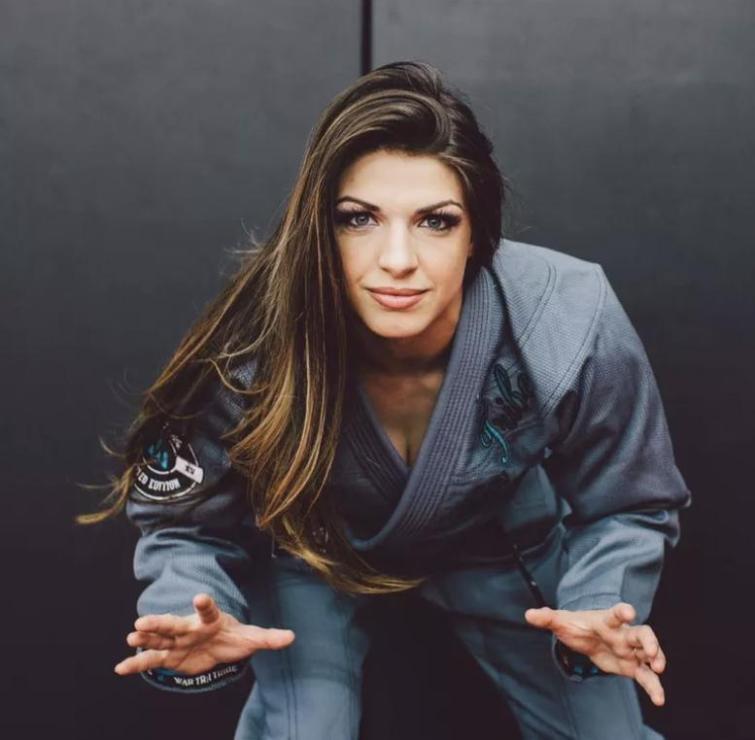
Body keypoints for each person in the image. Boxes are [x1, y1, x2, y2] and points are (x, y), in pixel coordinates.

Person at [83, 60, 692, 739]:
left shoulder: (565, 316)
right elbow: (183, 521)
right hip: (315, 549)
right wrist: (187, 605)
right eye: (358, 219)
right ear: (319, 229)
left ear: (478, 234)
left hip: (501, 537)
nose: (397, 259)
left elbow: (630, 498)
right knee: (305, 730)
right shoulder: (257, 338)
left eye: (436, 221)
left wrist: (603, 601)